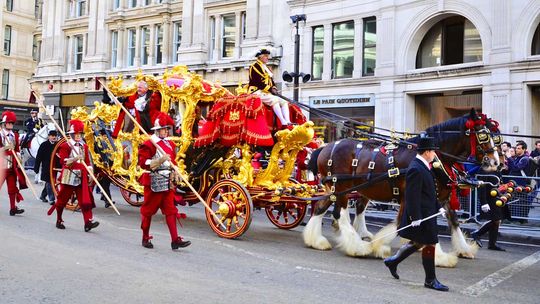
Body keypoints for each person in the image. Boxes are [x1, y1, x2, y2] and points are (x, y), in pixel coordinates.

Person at [383, 136, 448, 292]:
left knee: (418, 242)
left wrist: (438, 206)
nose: (434, 154)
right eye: (433, 151)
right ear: (426, 152)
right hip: (421, 215)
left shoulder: (423, 166)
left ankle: (392, 261)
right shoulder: (416, 168)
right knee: (430, 243)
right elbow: (411, 196)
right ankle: (430, 280)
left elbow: (429, 191)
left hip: (427, 212)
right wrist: (415, 217)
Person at [138, 112, 191, 250]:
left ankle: (175, 240)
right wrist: (160, 159)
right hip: (153, 181)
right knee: (148, 211)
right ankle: (145, 237)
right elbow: (143, 163)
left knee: (171, 210)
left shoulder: (169, 144)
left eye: (168, 129)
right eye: (164, 129)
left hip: (167, 181)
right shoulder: (149, 144)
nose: (167, 131)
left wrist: (176, 172)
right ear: (157, 129)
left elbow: (172, 162)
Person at [52, 119, 99, 232]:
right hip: (69, 175)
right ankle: (59, 219)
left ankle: (88, 222)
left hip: (82, 176)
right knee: (62, 199)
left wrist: (90, 172)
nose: (78, 136)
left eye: (80, 134)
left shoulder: (84, 146)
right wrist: (75, 158)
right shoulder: (65, 146)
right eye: (76, 134)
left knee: (85, 200)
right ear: (72, 135)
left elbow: (87, 162)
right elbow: (63, 162)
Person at [248, 48, 292, 130]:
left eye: (268, 56)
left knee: (284, 101)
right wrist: (270, 89)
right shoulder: (254, 66)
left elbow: (271, 80)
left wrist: (274, 88)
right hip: (257, 91)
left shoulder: (266, 67)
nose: (268, 58)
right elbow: (257, 81)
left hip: (267, 92)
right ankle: (283, 121)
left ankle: (288, 121)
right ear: (260, 57)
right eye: (266, 56)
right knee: (274, 100)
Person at [470, 170, 510, 251]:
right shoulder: (486, 170)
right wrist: (483, 202)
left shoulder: (497, 170)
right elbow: (482, 186)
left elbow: (499, 184)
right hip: (489, 199)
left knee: (497, 221)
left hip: (497, 198)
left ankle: (492, 243)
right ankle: (477, 233)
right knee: (496, 220)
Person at [0, 111, 26, 216]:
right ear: (4, 123)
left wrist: (19, 159)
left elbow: (17, 149)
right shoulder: (0, 135)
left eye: (12, 123)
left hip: (11, 166)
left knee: (12, 188)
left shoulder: (15, 135)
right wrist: (5, 148)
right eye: (9, 123)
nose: (11, 125)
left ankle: (13, 208)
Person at [507, 142, 532, 223]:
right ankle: (517, 218)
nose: (516, 150)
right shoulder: (518, 158)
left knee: (520, 201)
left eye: (519, 148)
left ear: (524, 149)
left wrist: (509, 158)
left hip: (521, 184)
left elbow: (516, 168)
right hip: (515, 183)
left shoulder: (525, 159)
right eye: (516, 148)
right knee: (515, 201)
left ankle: (519, 219)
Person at [34, 129, 58, 205]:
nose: (54, 137)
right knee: (49, 182)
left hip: (54, 167)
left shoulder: (57, 145)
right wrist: (36, 167)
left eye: (55, 136)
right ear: (49, 136)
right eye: (52, 136)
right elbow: (39, 157)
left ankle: (43, 195)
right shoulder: (44, 145)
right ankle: (51, 199)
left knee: (50, 182)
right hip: (46, 167)